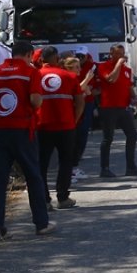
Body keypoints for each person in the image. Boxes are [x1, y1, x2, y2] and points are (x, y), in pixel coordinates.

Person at [0, 40, 54, 238]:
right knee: (33, 176)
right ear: (29, 54)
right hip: (22, 131)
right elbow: (35, 100)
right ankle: (41, 224)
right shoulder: (30, 73)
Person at [35, 46, 83, 210]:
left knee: (42, 164)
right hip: (65, 126)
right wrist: (73, 120)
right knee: (66, 162)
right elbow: (80, 102)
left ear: (41, 59)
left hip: (42, 126)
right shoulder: (69, 76)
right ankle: (63, 198)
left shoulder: (34, 76)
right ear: (57, 59)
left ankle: (44, 200)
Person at [96, 44, 137, 177]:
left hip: (123, 108)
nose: (121, 56)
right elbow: (111, 79)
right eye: (118, 54)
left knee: (132, 135)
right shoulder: (103, 67)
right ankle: (104, 168)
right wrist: (118, 64)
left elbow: (128, 86)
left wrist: (134, 98)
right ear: (111, 53)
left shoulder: (127, 70)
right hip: (108, 108)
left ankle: (131, 167)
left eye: (122, 54)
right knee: (108, 138)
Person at [70, 46, 99, 181]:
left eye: (82, 56)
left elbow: (89, 90)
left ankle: (74, 164)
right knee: (74, 135)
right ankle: (71, 166)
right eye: (78, 56)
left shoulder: (91, 67)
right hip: (74, 104)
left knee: (82, 134)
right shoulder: (69, 72)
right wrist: (85, 83)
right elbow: (81, 88)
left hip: (86, 104)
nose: (80, 59)